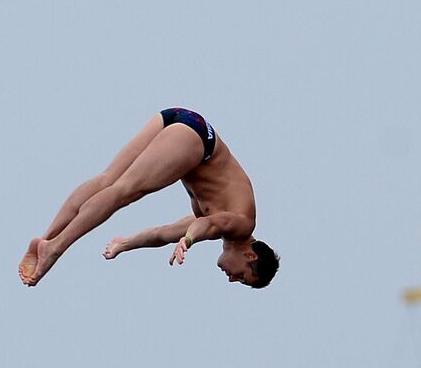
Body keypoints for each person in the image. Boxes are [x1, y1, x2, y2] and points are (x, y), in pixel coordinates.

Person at [18, 107, 279, 288]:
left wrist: (125, 244)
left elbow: (162, 234)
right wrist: (188, 240)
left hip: (182, 120)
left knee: (108, 180)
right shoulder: (243, 224)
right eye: (243, 277)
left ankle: (47, 238)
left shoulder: (225, 222)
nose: (232, 279)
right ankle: (55, 248)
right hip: (196, 140)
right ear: (250, 257)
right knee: (125, 191)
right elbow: (205, 226)